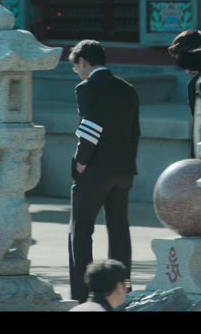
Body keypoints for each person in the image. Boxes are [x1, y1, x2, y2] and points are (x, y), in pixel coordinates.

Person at [68, 40, 141, 304]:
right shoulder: (127, 89)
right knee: (119, 230)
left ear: (83, 61)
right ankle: (122, 292)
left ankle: (83, 296)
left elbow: (90, 126)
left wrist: (80, 161)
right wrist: (127, 163)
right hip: (123, 170)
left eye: (75, 66)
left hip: (96, 169)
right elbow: (135, 132)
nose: (76, 71)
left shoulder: (87, 88)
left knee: (80, 230)